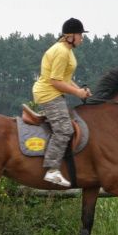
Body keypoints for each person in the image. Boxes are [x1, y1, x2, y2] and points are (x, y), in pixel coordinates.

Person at [32, 18, 92, 187]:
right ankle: (52, 170)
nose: (82, 38)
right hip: (48, 93)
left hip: (53, 92)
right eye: (80, 34)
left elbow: (65, 78)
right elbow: (55, 81)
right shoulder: (61, 52)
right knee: (64, 129)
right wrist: (77, 92)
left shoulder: (67, 50)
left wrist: (80, 90)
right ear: (70, 36)